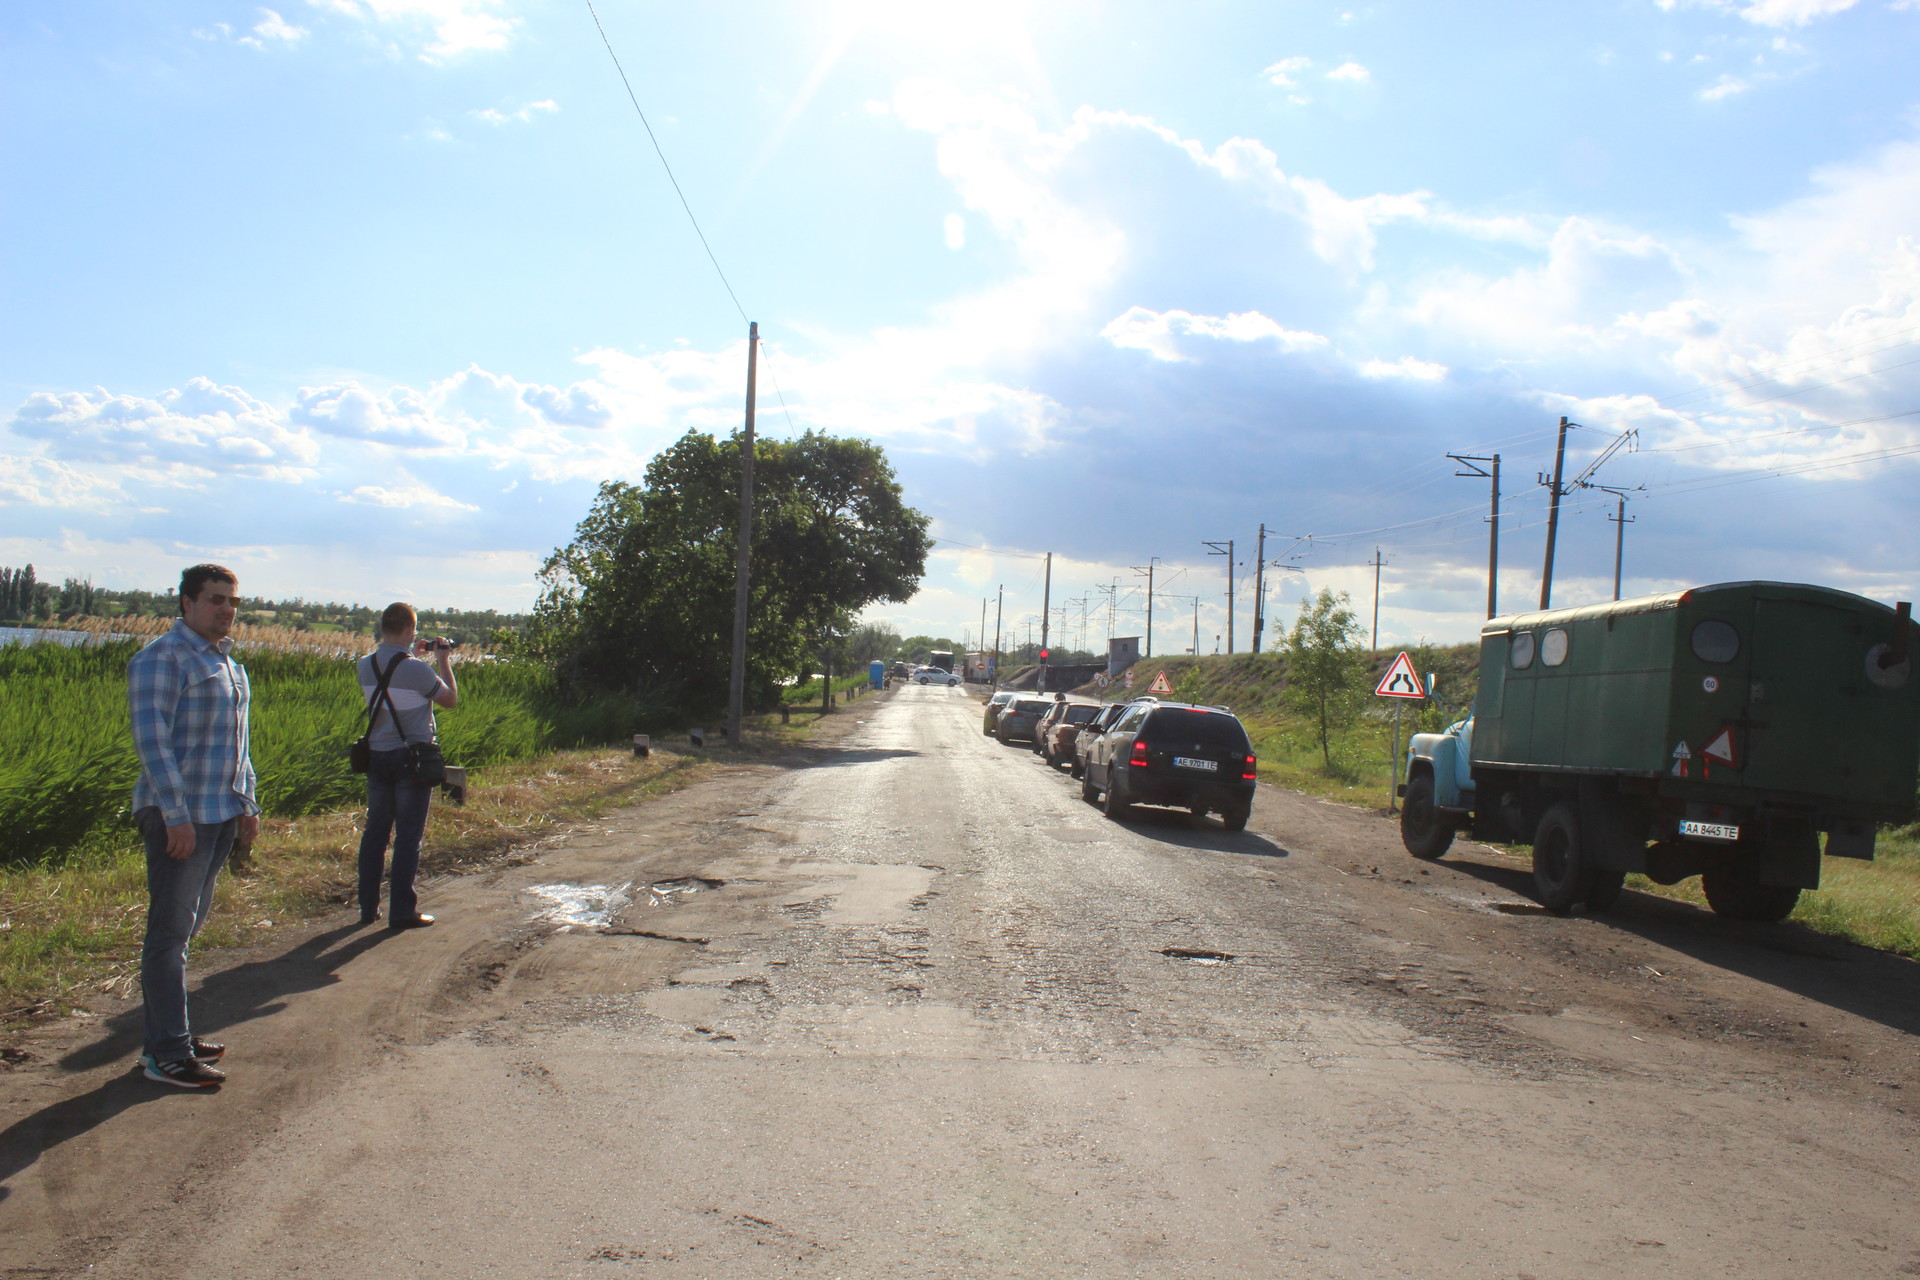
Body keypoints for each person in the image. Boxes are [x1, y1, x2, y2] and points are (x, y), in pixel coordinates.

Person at [127, 564, 260, 1089]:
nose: (226, 609)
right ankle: (168, 1055)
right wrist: (174, 816)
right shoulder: (160, 659)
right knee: (168, 935)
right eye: (215, 599)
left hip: (220, 813)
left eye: (232, 601)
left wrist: (247, 803)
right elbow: (152, 743)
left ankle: (165, 1037)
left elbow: (238, 743)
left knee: (185, 931)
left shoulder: (228, 662)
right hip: (181, 819)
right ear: (186, 602)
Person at [355, 602, 457, 929]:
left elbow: (393, 673)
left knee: (375, 833)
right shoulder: (417, 670)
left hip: (377, 755)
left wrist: (413, 652)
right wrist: (442, 660)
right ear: (410, 629)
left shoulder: (365, 665)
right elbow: (449, 699)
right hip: (411, 759)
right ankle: (402, 910)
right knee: (408, 837)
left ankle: (368, 906)